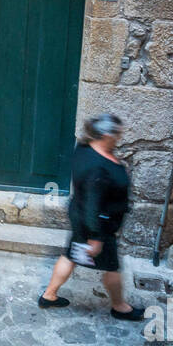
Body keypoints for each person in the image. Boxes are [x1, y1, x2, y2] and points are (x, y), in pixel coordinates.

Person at [38, 112, 144, 320]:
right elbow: (92, 203)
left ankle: (48, 295)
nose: (120, 137)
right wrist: (95, 238)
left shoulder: (84, 149)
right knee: (112, 267)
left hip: (83, 218)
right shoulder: (98, 168)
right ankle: (120, 306)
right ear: (106, 135)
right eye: (117, 134)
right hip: (97, 225)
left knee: (70, 256)